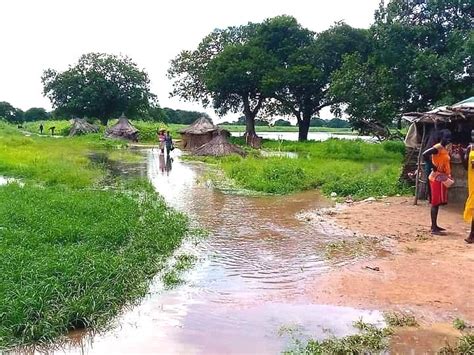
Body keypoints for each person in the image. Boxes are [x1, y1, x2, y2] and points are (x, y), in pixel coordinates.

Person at [422, 129, 452, 235]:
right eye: (446, 138)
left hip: (441, 177)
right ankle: (433, 228)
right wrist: (433, 166)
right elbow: (425, 154)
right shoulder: (438, 147)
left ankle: (434, 225)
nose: (448, 140)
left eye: (449, 138)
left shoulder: (444, 148)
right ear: (441, 138)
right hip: (436, 178)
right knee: (435, 202)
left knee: (438, 202)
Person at [462, 130, 474, 244]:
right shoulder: (470, 148)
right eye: (472, 135)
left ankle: (472, 235)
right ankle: (472, 235)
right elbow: (466, 166)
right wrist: (463, 155)